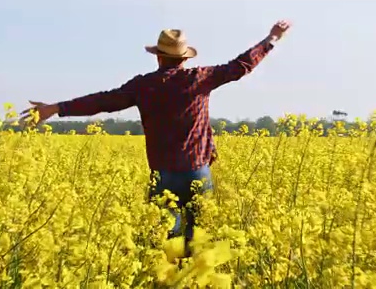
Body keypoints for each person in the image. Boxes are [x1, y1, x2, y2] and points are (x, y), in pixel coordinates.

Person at [20, 20, 291, 257]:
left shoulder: (144, 85)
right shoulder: (199, 78)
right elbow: (240, 66)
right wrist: (272, 39)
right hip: (198, 171)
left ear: (158, 57)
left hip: (163, 174)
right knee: (199, 240)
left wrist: (56, 108)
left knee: (166, 241)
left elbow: (102, 101)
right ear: (185, 58)